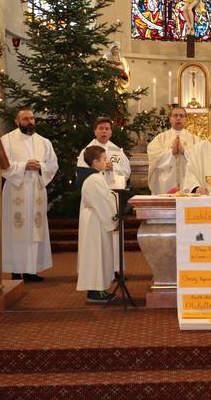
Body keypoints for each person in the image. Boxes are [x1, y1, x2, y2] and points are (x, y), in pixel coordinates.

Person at [1, 108, 59, 282]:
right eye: (25, 119)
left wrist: (40, 166)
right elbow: (2, 163)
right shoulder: (7, 140)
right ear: (17, 121)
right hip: (15, 189)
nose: (30, 122)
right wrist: (23, 165)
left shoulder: (44, 142)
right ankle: (15, 270)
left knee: (35, 230)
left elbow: (53, 164)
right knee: (15, 229)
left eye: (32, 118)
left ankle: (31, 269)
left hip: (36, 190)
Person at [77, 145, 119, 304]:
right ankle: (95, 292)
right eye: (104, 159)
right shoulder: (94, 179)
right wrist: (113, 218)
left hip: (97, 220)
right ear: (95, 162)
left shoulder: (97, 177)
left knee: (100, 255)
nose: (106, 161)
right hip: (97, 221)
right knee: (96, 255)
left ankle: (99, 289)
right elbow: (103, 202)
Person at [147, 106, 200, 195]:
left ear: (186, 119)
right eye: (175, 115)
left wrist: (184, 152)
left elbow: (200, 159)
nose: (178, 118)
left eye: (181, 116)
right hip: (165, 185)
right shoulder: (160, 138)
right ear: (170, 119)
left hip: (188, 183)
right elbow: (153, 156)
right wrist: (171, 152)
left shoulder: (195, 140)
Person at [76, 117, 131, 189]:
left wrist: (113, 168)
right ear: (95, 131)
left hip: (114, 191)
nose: (104, 131)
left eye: (107, 129)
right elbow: (82, 174)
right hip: (95, 190)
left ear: (111, 133)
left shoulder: (118, 151)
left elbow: (127, 172)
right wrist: (101, 169)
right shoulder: (87, 151)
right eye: (101, 128)